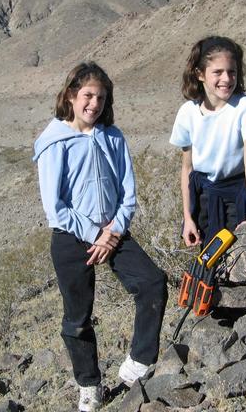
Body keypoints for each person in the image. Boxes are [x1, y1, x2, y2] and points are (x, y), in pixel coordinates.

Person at [33, 62, 168, 412]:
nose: (94, 103)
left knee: (152, 283)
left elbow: (129, 191)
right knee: (77, 318)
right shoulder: (54, 141)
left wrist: (113, 232)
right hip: (71, 237)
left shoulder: (113, 136)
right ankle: (89, 385)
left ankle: (138, 362)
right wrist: (96, 234)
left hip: (114, 230)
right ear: (71, 96)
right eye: (88, 95)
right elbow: (55, 207)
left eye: (101, 97)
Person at [170, 36, 246, 248]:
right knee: (211, 263)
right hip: (206, 199)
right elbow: (187, 168)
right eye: (217, 72)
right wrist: (188, 218)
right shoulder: (187, 112)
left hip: (241, 195)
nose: (226, 79)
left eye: (232, 71)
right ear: (200, 74)